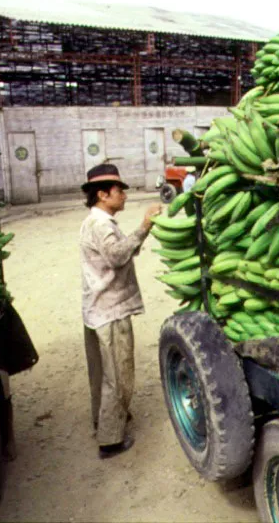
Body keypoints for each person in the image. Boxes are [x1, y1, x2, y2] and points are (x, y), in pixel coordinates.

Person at [79, 163, 162, 459]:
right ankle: (110, 440)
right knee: (118, 375)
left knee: (101, 374)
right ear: (102, 194)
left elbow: (120, 251)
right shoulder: (101, 225)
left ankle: (103, 421)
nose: (125, 195)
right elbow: (117, 255)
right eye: (119, 190)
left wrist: (140, 234)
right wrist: (145, 225)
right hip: (110, 311)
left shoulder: (94, 221)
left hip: (96, 310)